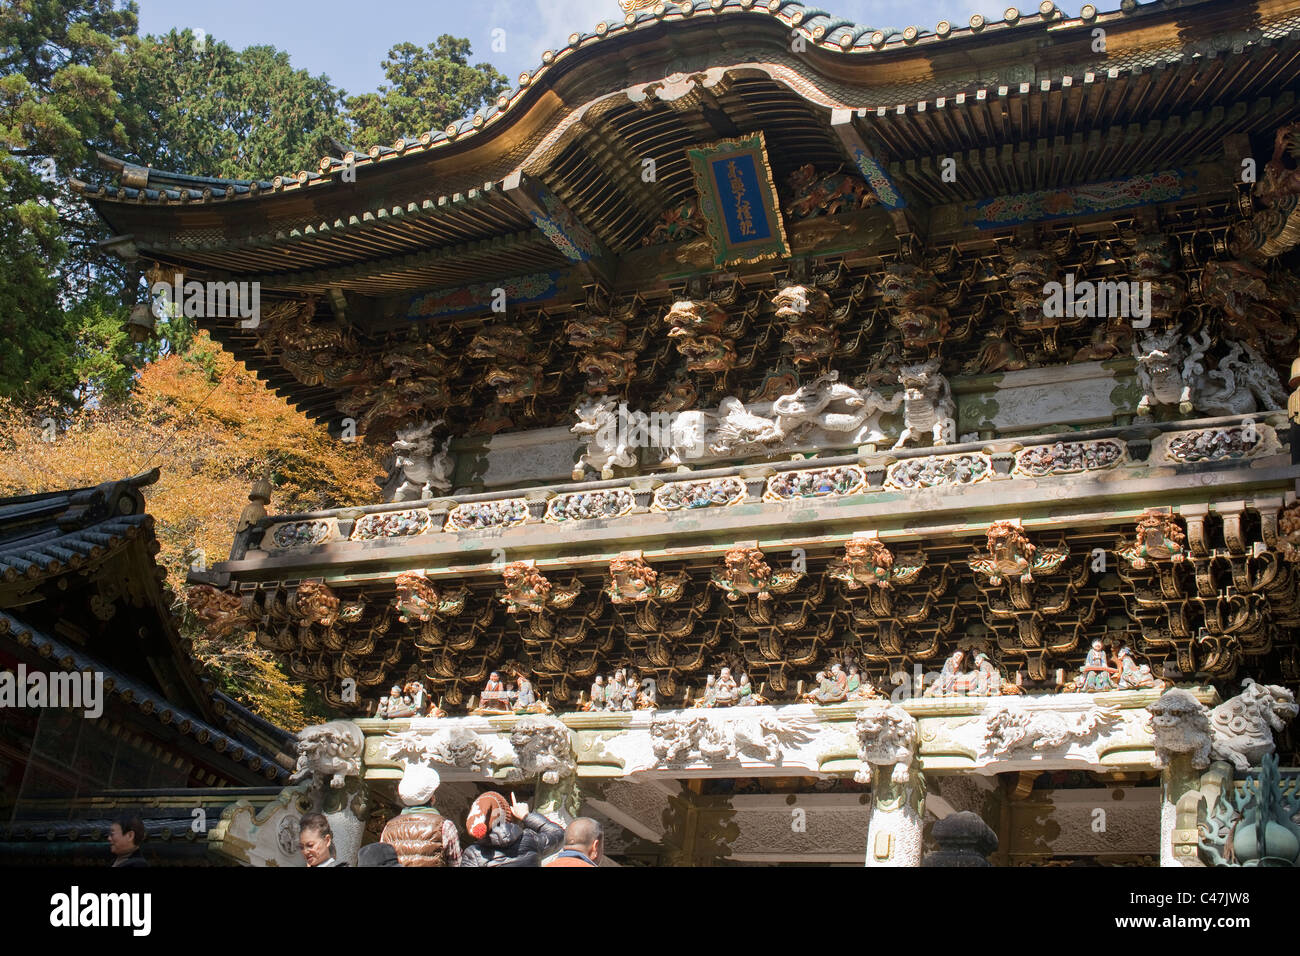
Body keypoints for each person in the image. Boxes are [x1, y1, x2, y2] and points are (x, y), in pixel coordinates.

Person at [459, 792, 564, 867]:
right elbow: (558, 834)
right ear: (506, 816)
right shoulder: (529, 840)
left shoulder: (474, 854)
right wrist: (526, 816)